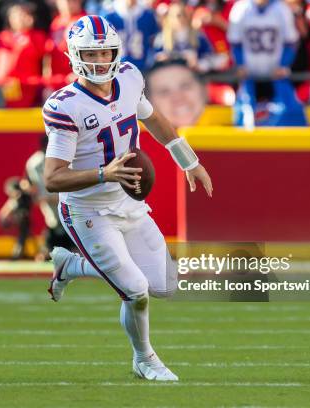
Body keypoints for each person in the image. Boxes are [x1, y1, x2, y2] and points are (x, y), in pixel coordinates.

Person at [43, 15, 213, 381]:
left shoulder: (130, 77)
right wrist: (105, 173)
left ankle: (70, 266)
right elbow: (53, 178)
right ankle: (144, 359)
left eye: (106, 51)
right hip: (87, 209)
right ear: (75, 56)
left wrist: (188, 159)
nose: (102, 60)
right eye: (93, 52)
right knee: (135, 291)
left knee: (165, 286)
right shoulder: (66, 105)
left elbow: (153, 119)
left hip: (128, 202)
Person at [0, 1, 47, 107]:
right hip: (3, 85)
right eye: (15, 15)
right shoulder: (2, 37)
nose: (19, 18)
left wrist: (28, 33)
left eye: (23, 14)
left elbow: (43, 55)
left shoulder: (36, 36)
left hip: (26, 86)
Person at [103, 0, 160, 71]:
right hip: (117, 66)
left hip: (142, 65)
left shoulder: (147, 15)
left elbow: (153, 40)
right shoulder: (110, 15)